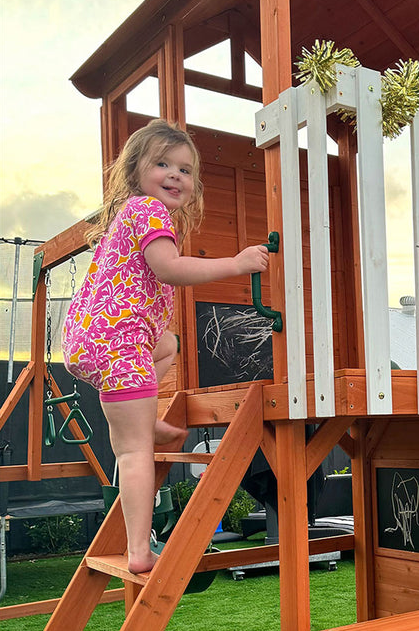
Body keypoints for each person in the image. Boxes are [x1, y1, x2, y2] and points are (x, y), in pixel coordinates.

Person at [63, 119, 269, 573]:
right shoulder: (148, 213)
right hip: (118, 343)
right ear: (136, 170)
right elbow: (169, 268)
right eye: (163, 164)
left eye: (185, 169)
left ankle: (147, 420)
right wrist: (236, 263)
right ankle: (139, 550)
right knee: (134, 453)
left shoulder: (127, 215)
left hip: (101, 338)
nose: (175, 175)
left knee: (169, 345)